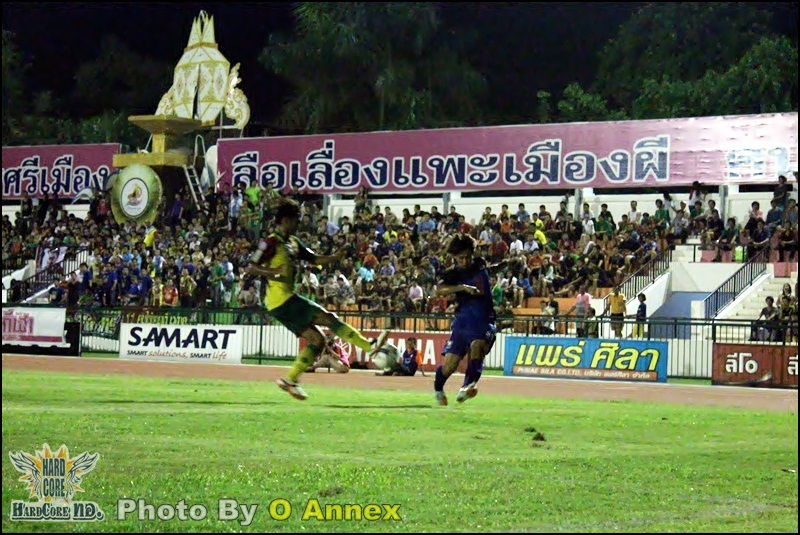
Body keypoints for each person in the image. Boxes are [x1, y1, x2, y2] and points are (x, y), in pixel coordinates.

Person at [246, 199, 389, 400]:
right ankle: (369, 347)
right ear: (285, 220)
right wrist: (273, 272)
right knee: (329, 318)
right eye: (296, 220)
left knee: (318, 340)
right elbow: (250, 267)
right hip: (281, 299)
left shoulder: (293, 242)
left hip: (283, 302)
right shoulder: (269, 242)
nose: (299, 224)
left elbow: (314, 259)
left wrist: (335, 256)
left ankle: (290, 380)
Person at [431, 234, 496, 406]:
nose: (465, 261)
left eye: (468, 256)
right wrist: (462, 288)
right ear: (454, 257)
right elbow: (438, 290)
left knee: (478, 345)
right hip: (462, 323)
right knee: (449, 366)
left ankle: (468, 386)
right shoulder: (453, 274)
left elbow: (490, 270)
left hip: (484, 320)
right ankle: (438, 388)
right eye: (461, 258)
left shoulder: (480, 264)